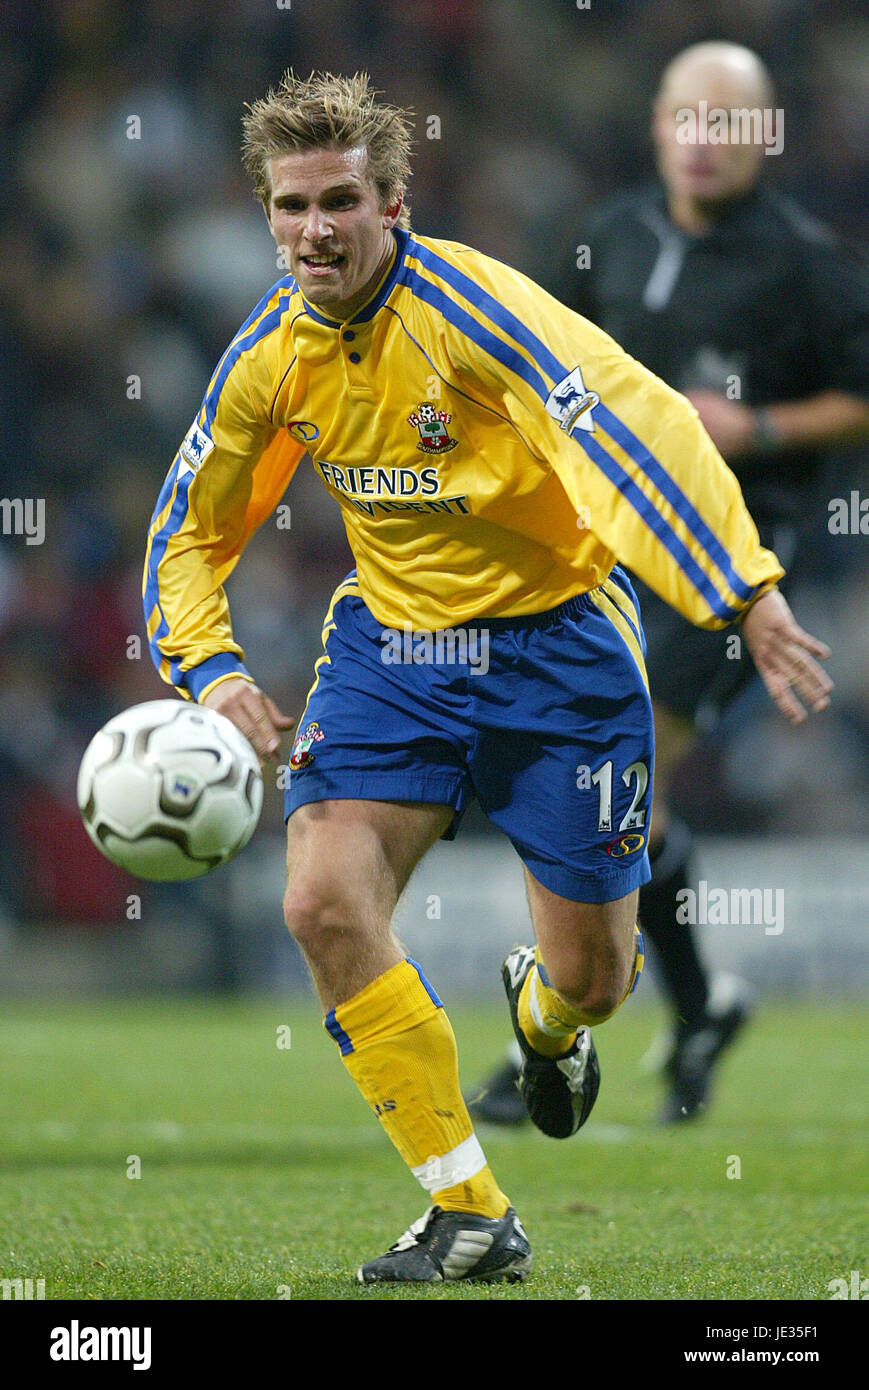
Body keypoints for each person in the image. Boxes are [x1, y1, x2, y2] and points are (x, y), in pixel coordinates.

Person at [143, 70, 832, 1284]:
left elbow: (636, 420)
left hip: (556, 654)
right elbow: (190, 529)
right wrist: (206, 666)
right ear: (266, 214)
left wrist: (739, 587)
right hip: (391, 654)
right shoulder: (270, 354)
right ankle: (468, 1209)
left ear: (394, 201)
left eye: (342, 200)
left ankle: (546, 1019)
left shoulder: (477, 310)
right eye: (293, 206)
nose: (317, 230)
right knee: (319, 902)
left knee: (596, 981)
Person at [471, 42, 869, 1128]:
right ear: (655, 123)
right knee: (619, 805)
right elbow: (529, 358)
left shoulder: (805, 264)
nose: (704, 137)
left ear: (763, 136)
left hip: (732, 568)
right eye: (687, 115)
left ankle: (546, 1033)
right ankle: (698, 1006)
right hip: (602, 554)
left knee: (599, 778)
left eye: (729, 121)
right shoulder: (606, 234)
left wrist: (763, 425)